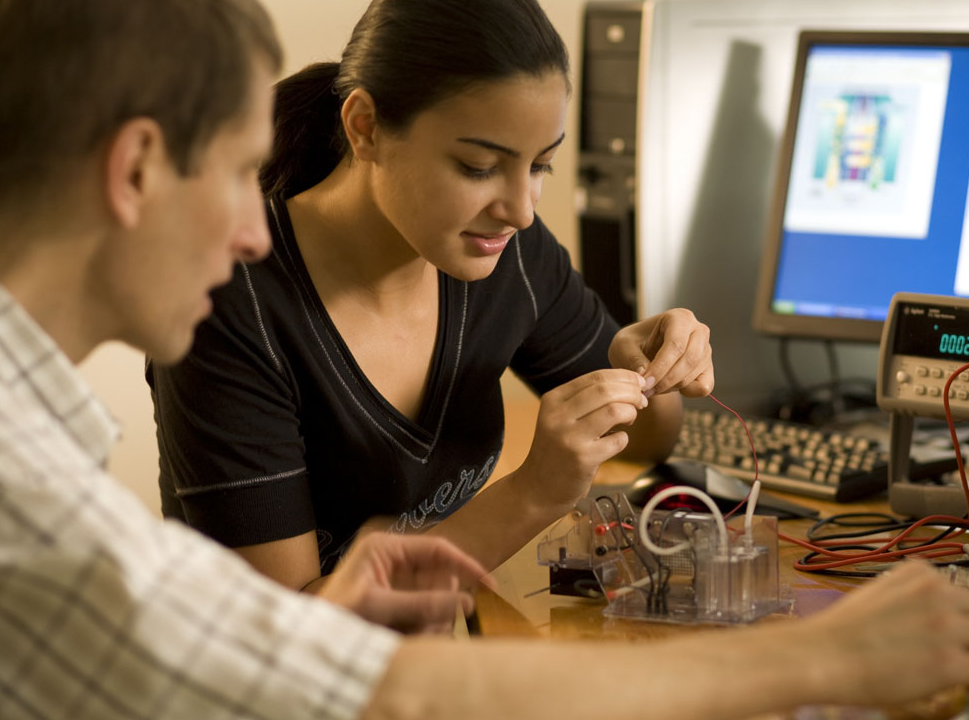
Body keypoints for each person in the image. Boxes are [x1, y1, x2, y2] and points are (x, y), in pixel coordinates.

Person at [0, 0, 969, 717]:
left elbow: (246, 664)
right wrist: (828, 659)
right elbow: (374, 693)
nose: (252, 229)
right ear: (134, 171)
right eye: (235, 173)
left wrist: (640, 377)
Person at [147, 0, 714, 589]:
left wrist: (644, 373)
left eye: (541, 165)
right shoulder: (226, 307)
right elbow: (294, 634)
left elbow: (652, 441)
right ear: (364, 127)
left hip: (414, 659)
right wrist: (533, 493)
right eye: (477, 166)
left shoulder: (505, 251)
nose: (520, 210)